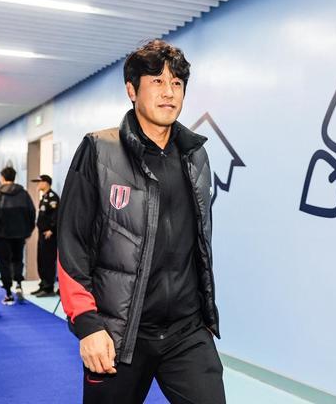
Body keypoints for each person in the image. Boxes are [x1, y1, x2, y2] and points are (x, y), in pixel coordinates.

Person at [57, 40, 225, 404]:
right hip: (118, 334)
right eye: (157, 82)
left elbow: (197, 242)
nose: (169, 92)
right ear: (132, 90)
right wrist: (86, 324)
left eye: (177, 83)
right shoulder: (99, 150)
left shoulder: (195, 156)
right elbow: (72, 243)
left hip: (186, 331)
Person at [0, 166, 35, 306]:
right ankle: (19, 284)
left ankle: (8, 292)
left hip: (2, 234)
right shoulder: (23, 193)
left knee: (4, 263)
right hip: (19, 234)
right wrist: (28, 231)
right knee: (18, 259)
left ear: (2, 178)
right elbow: (31, 213)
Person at [30, 174, 59, 297]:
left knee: (48, 261)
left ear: (46, 183)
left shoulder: (53, 197)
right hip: (42, 234)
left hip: (49, 235)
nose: (37, 184)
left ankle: (48, 288)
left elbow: (56, 215)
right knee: (41, 260)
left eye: (39, 182)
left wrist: (51, 229)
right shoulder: (44, 197)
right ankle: (43, 284)